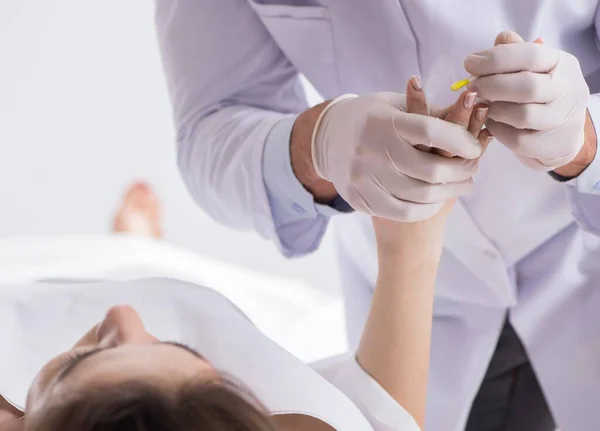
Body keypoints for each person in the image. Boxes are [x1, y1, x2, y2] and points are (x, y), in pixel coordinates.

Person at [154, 2, 600, 430]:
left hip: (582, 258)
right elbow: (208, 126)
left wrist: (584, 140)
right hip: (415, 299)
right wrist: (317, 146)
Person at [0, 87, 488, 431]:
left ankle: (131, 250)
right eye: (192, 357)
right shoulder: (306, 419)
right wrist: (415, 226)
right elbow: (384, 416)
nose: (122, 316)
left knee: (99, 268)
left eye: (75, 365)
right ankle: (137, 254)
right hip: (234, 332)